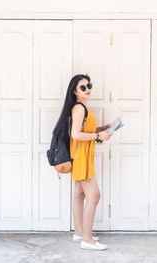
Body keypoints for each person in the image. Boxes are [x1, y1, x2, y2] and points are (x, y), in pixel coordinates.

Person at [53, 74, 113, 250]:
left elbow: (82, 130)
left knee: (80, 195)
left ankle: (79, 232)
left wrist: (100, 129)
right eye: (83, 87)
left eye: (89, 85)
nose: (88, 89)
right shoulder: (79, 108)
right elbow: (76, 135)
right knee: (94, 196)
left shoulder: (82, 107)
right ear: (75, 91)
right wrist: (97, 136)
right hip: (81, 157)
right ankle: (87, 240)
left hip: (81, 156)